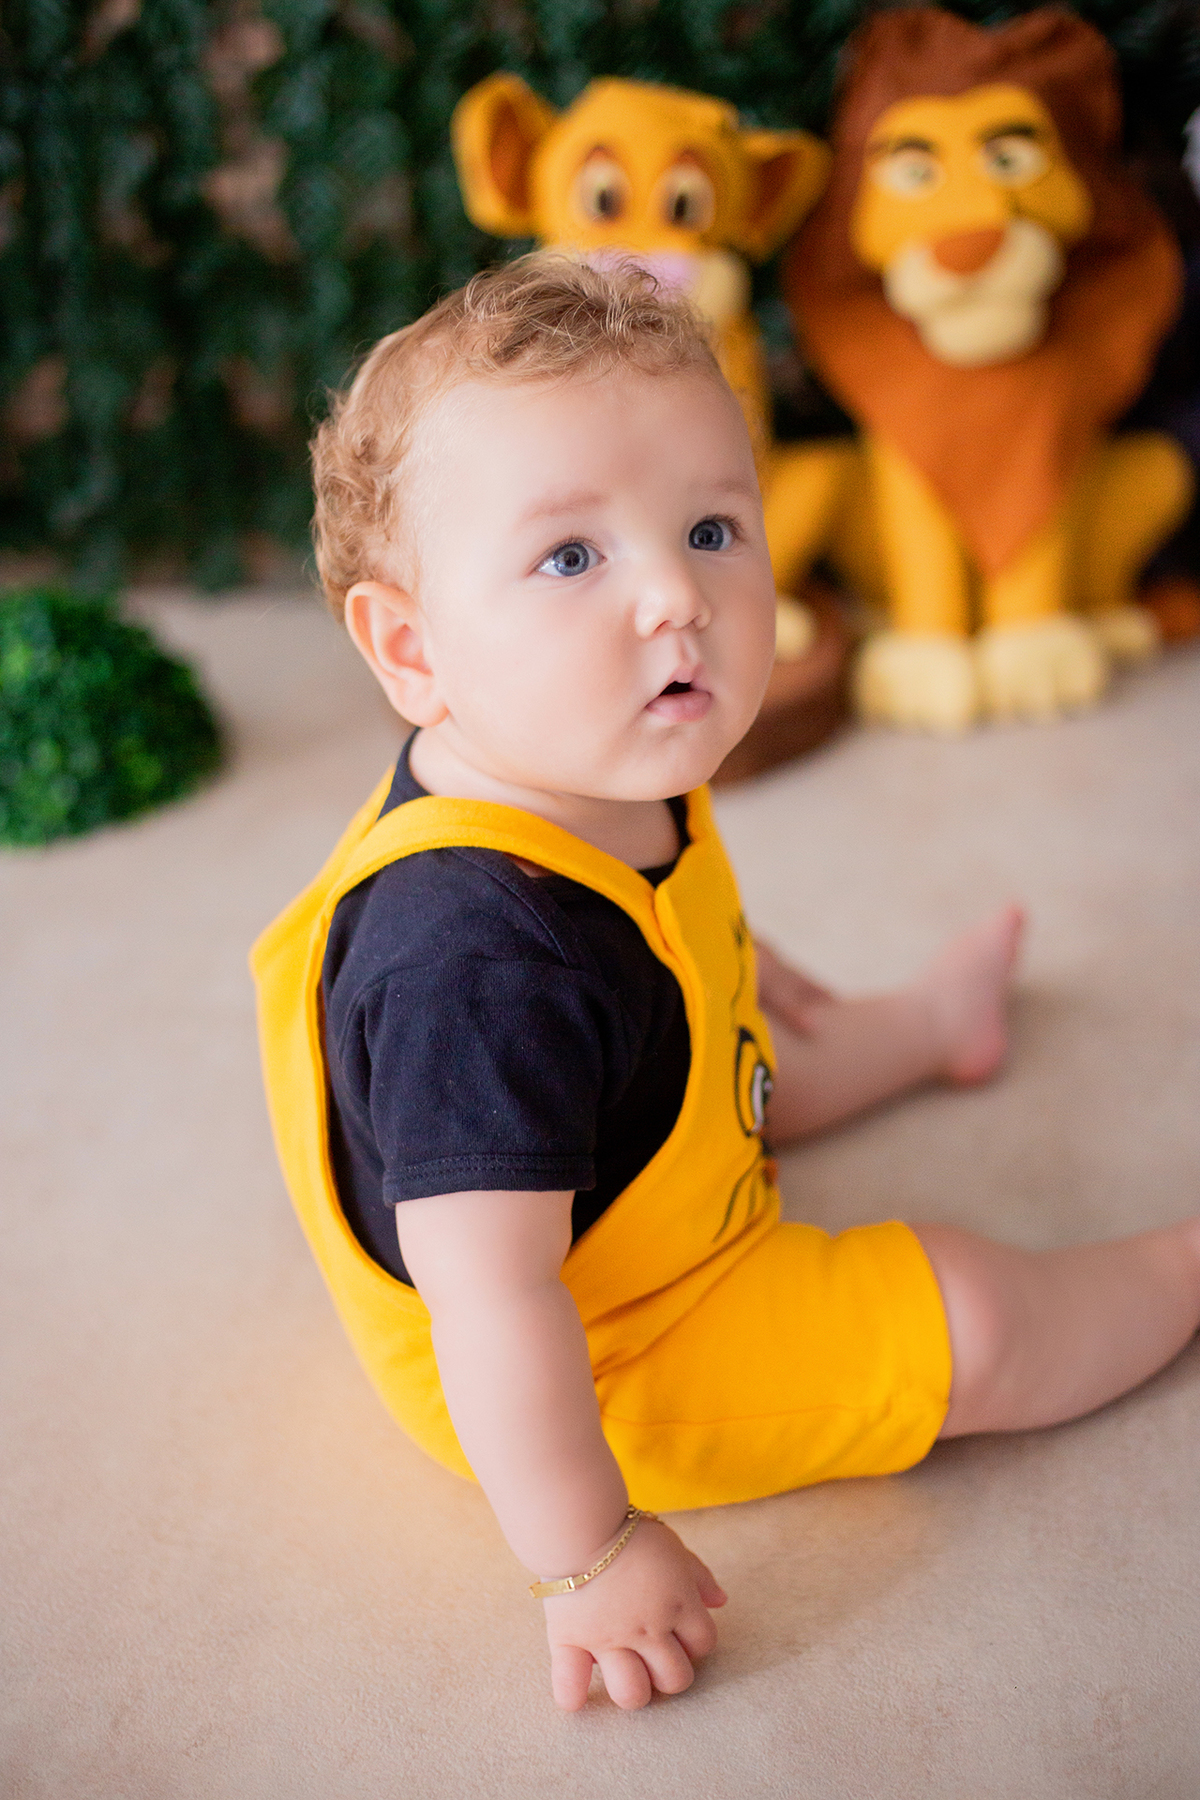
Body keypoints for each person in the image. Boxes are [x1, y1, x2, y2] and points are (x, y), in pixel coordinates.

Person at [252, 253, 1200, 1714]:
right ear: (413, 648)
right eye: (571, 557)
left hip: (632, 1132)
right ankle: (1170, 1274)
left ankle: (930, 1029)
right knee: (971, 1314)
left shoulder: (581, 750)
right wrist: (589, 1549)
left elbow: (666, 934)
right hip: (601, 1348)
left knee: (768, 1045)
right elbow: (493, 1299)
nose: (674, 601)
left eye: (709, 528)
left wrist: (729, 973)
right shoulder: (472, 966)